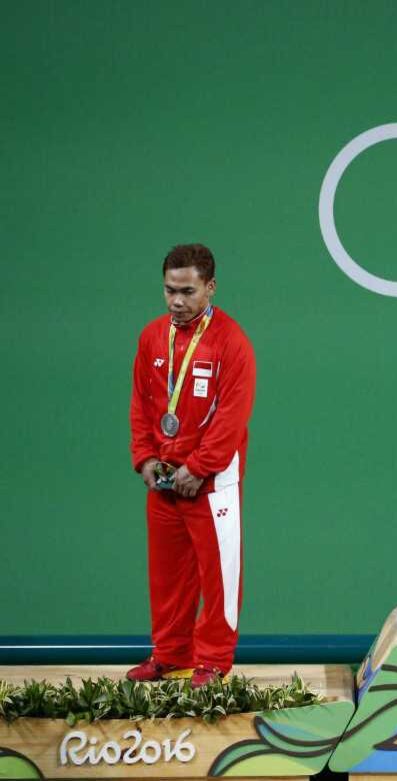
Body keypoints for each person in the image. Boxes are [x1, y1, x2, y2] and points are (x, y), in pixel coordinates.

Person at [126, 244, 256, 687]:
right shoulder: (150, 337)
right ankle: (170, 654)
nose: (177, 301)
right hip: (163, 480)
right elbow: (141, 404)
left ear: (210, 287)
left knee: (219, 580)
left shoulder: (231, 343)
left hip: (211, 483)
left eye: (187, 291)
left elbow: (233, 416)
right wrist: (144, 456)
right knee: (167, 579)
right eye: (169, 291)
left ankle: (213, 662)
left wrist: (199, 467)